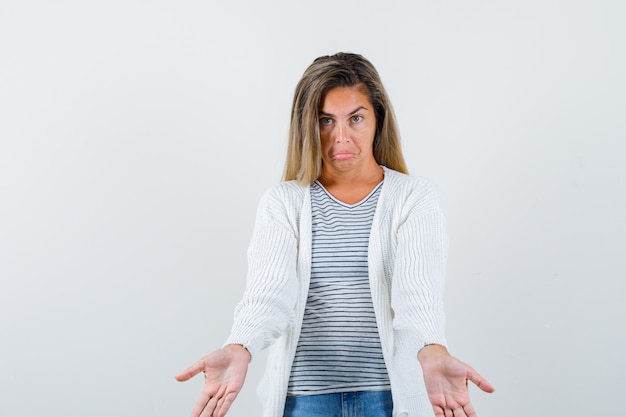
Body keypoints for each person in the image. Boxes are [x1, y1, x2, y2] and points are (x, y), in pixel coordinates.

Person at [176, 52, 494, 417]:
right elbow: (269, 294)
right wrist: (239, 345)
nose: (341, 137)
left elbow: (417, 294)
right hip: (303, 402)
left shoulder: (414, 197)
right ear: (307, 126)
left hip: (388, 399)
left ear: (378, 119)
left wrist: (432, 348)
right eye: (326, 121)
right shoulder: (283, 203)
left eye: (356, 118)